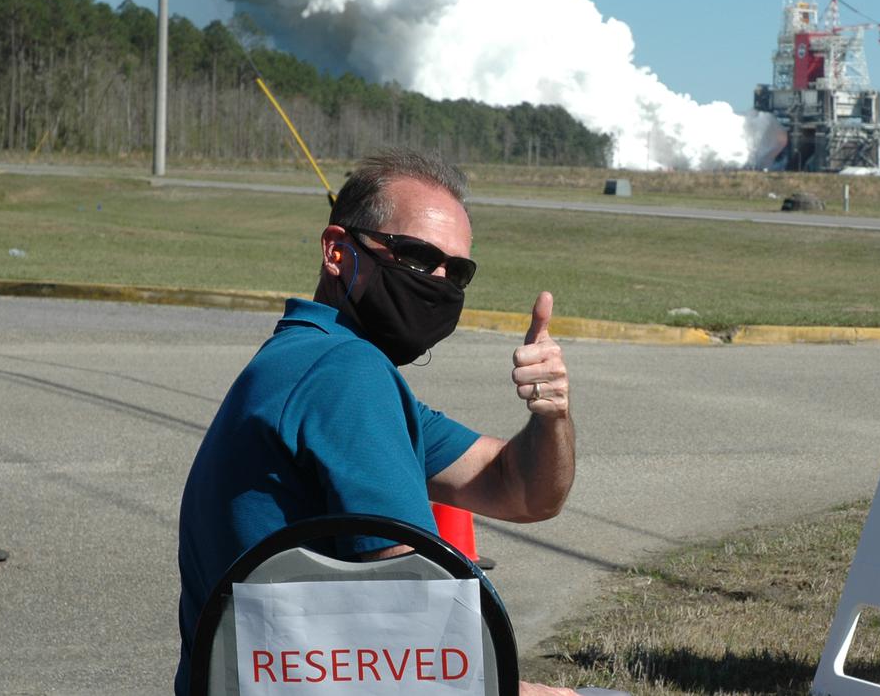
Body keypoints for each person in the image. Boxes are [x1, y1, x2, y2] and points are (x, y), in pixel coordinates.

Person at [175, 150, 578, 696]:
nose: (438, 282)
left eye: (456, 272)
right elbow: (414, 617)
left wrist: (551, 414)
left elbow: (523, 490)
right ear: (337, 250)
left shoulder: (309, 358)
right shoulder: (345, 374)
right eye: (416, 257)